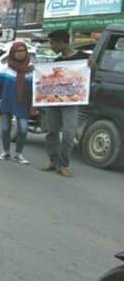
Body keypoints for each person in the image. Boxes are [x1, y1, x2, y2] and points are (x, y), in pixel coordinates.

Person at [43, 29, 93, 177]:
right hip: (54, 100)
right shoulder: (57, 61)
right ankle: (53, 160)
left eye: (52, 43)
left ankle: (63, 164)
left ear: (61, 42)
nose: (51, 46)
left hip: (72, 101)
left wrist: (92, 66)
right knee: (51, 131)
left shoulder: (83, 58)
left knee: (69, 133)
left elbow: (90, 75)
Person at [0, 41, 35, 164]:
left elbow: (36, 88)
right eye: (17, 51)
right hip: (7, 103)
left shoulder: (31, 69)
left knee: (23, 129)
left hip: (23, 104)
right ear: (12, 53)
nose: (20, 54)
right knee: (5, 128)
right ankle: (5, 152)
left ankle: (19, 154)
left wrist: (34, 105)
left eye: (23, 51)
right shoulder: (6, 68)